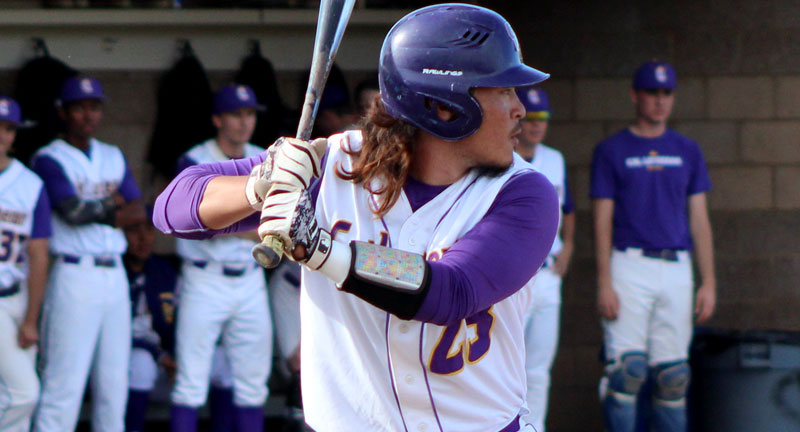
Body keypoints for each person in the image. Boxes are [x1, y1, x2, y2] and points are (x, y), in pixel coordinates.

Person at [154, 4, 560, 432]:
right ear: (445, 107)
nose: (521, 110)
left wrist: (323, 250)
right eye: (503, 91)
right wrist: (263, 184)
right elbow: (172, 208)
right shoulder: (337, 164)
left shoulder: (523, 192)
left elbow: (451, 290)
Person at [591, 61, 716, 432]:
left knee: (674, 376)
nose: (660, 101)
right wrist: (604, 282)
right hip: (629, 266)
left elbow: (700, 220)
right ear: (635, 95)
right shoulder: (611, 150)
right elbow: (601, 220)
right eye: (652, 93)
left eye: (666, 93)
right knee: (626, 374)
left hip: (677, 266)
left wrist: (708, 281)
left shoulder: (688, 150)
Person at [31, 75, 146, 432]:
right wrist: (112, 206)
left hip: (114, 276)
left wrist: (100, 208)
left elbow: (139, 210)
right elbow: (72, 212)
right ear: (63, 112)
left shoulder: (112, 155)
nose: (88, 115)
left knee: (114, 385)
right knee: (63, 385)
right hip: (73, 274)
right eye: (80, 107)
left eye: (94, 107)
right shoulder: (48, 157)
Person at [170, 83, 272, 432]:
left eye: (249, 114)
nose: (244, 122)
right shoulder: (195, 160)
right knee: (190, 383)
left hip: (249, 278)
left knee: (252, 385)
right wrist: (255, 227)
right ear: (217, 119)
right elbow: (195, 224)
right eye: (235, 114)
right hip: (204, 278)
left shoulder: (267, 157)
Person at [123, 216, 235, 432]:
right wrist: (162, 357)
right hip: (137, 372)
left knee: (222, 361)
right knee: (141, 363)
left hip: (176, 367)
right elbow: (127, 334)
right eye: (133, 230)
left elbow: (188, 319)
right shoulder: (118, 272)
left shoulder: (168, 271)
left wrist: (179, 357)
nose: (142, 238)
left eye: (148, 229)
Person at [513, 86, 575, 431]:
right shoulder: (505, 158)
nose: (538, 125)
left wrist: (569, 247)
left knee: (539, 367)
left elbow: (569, 209)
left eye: (544, 118)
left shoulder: (555, 159)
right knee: (510, 364)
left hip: (549, 274)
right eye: (532, 118)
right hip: (517, 276)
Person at [0, 95, 51, 432]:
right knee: (24, 394)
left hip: (15, 296)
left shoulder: (30, 183)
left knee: (17, 396)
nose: (1, 134)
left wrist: (31, 318)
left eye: (8, 128)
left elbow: (39, 254)